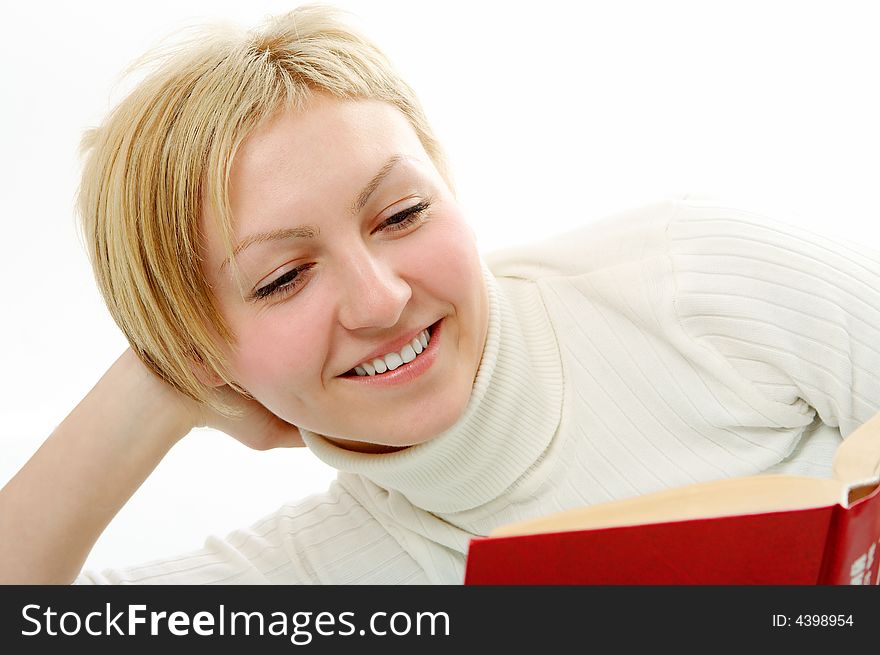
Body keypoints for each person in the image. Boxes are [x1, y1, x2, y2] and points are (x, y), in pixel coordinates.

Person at [1, 3, 879, 585]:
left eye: (401, 213)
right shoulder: (322, 569)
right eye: (282, 277)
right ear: (204, 354)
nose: (380, 298)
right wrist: (156, 385)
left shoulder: (704, 279)